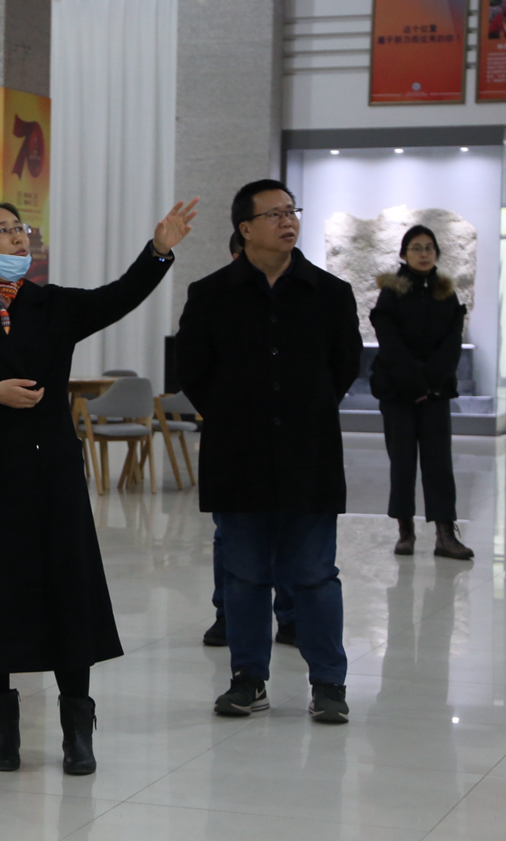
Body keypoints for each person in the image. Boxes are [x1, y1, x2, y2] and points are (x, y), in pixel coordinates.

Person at [0, 197, 196, 775]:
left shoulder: (54, 306)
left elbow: (120, 296)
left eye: (20, 228)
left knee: (65, 592)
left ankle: (78, 731)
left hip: (49, 472)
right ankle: (3, 730)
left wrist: (159, 250)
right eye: (2, 231)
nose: (19, 239)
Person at [177, 179, 362, 725]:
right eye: (274, 214)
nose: (288, 221)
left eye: (291, 211)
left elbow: (343, 367)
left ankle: (328, 684)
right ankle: (248, 679)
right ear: (245, 228)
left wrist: (303, 411)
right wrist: (237, 415)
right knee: (244, 574)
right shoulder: (210, 294)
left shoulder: (330, 293)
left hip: (310, 452)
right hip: (238, 453)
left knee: (315, 574)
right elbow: (193, 371)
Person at [203, 231, 296, 648]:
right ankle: (227, 614)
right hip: (236, 440)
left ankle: (290, 615)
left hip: (289, 438)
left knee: (290, 532)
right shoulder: (215, 297)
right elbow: (196, 369)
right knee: (231, 537)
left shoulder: (299, 297)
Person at [371, 225, 473, 560]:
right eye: (416, 247)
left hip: (436, 391)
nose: (424, 253)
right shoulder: (391, 292)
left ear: (436, 253)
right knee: (402, 462)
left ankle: (445, 535)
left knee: (439, 463)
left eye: (429, 247)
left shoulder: (446, 293)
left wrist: (430, 383)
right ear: (404, 254)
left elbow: (452, 341)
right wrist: (415, 383)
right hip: (398, 391)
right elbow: (389, 341)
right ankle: (406, 531)